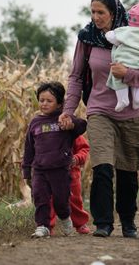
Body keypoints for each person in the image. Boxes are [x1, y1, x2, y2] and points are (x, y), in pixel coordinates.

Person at [59, 0, 139, 238]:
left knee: (128, 171)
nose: (95, 17)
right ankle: (103, 223)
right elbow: (76, 76)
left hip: (133, 114)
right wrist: (68, 111)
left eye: (101, 12)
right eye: (92, 12)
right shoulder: (87, 38)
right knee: (102, 166)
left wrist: (128, 74)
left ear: (114, 13)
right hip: (100, 110)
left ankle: (128, 222)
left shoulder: (134, 35)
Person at [22, 81, 87, 238]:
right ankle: (42, 226)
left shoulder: (64, 120)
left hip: (60, 170)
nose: (44, 104)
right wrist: (26, 171)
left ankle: (65, 219)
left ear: (59, 104)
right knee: (40, 198)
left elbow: (83, 125)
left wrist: (71, 123)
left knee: (61, 200)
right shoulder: (35, 123)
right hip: (39, 169)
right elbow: (29, 149)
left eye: (49, 101)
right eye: (41, 100)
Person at [105, 2, 139, 112]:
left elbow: (112, 37)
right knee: (138, 82)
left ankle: (123, 99)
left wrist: (109, 34)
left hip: (124, 60)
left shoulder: (125, 31)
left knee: (117, 76)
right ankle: (137, 98)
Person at [50, 135, 90, 235]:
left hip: (71, 171)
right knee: (49, 199)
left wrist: (77, 158)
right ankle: (47, 225)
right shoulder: (45, 128)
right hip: (50, 171)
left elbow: (84, 148)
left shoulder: (73, 130)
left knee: (74, 199)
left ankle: (80, 223)